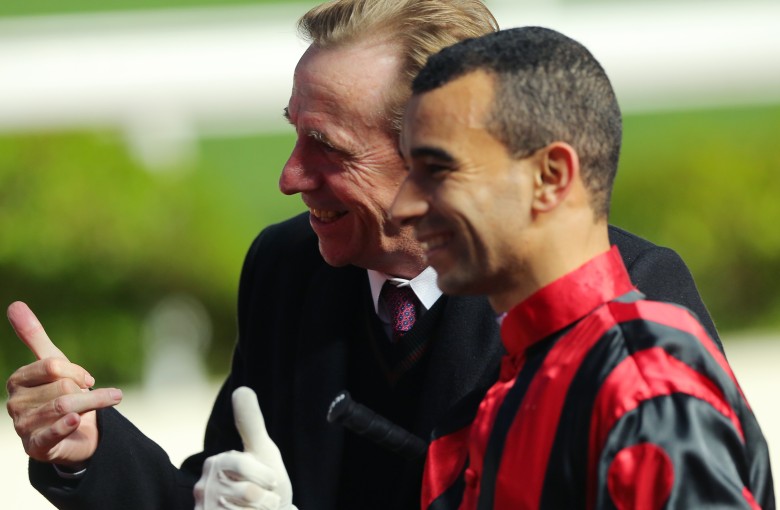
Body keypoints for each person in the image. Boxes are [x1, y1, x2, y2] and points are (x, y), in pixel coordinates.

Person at [5, 2, 721, 509]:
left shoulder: (628, 324)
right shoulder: (288, 269)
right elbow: (223, 489)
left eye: (328, 146)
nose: (289, 177)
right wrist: (89, 452)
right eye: (293, 132)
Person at [390, 26, 774, 509]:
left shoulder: (640, 381)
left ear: (551, 176)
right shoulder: (532, 372)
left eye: (437, 171)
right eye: (409, 171)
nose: (402, 207)